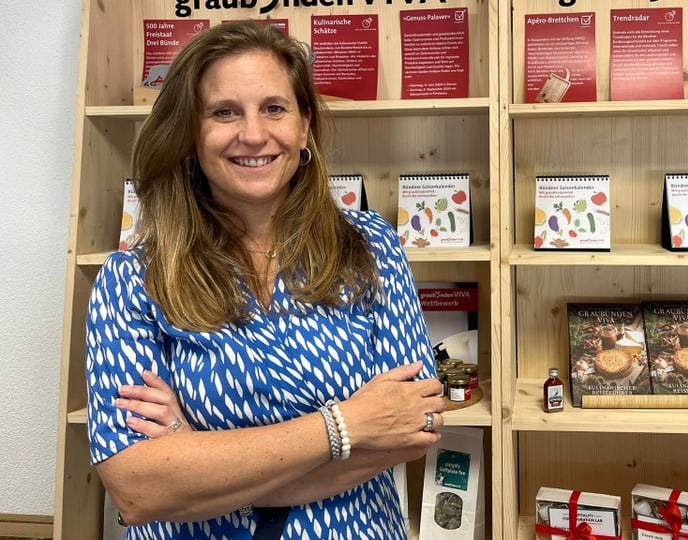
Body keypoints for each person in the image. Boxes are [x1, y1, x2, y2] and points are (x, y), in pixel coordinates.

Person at [85, 20, 444, 539]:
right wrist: (347, 424)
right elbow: (138, 489)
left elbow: (415, 427)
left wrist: (197, 458)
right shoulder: (133, 279)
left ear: (304, 128)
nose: (252, 134)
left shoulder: (369, 246)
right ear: (190, 134)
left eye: (273, 108)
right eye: (224, 112)